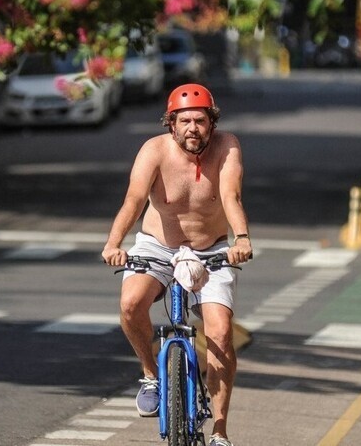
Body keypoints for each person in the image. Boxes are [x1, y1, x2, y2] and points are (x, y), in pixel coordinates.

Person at [102, 83, 252, 446]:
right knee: (130, 303)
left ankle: (219, 430)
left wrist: (242, 238)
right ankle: (151, 374)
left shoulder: (227, 146)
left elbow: (230, 196)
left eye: (200, 121)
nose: (192, 129)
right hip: (158, 245)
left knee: (219, 333)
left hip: (211, 248)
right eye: (184, 121)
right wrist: (113, 242)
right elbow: (134, 200)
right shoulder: (153, 150)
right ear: (171, 123)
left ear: (212, 123)